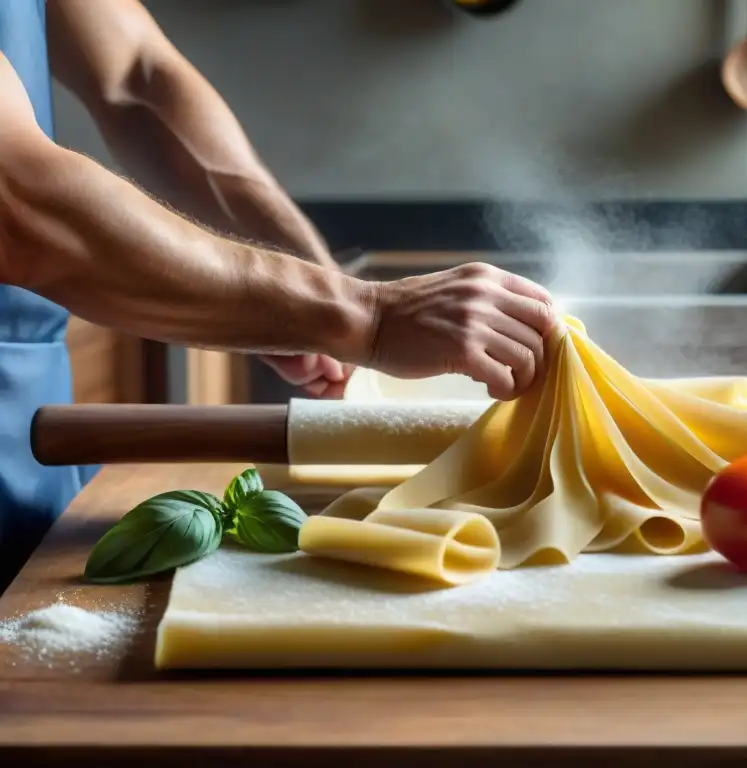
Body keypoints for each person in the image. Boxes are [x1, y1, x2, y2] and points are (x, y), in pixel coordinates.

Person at [0, 0, 556, 591]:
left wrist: (303, 279)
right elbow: (18, 197)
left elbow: (138, 79)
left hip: (32, 430)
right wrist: (365, 316)